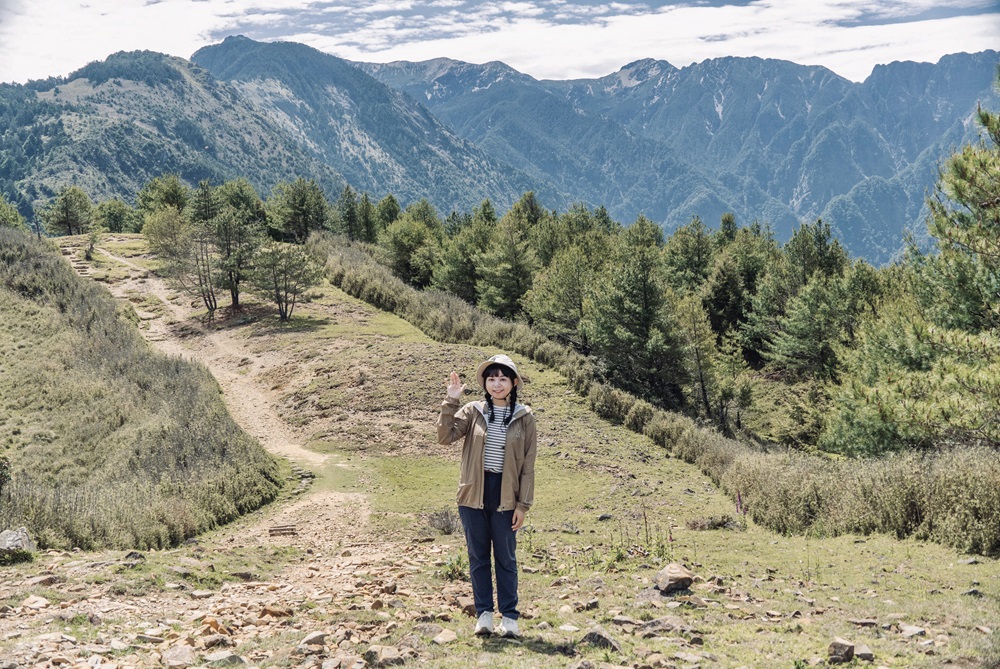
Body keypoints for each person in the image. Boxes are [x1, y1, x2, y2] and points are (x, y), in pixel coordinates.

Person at [437, 354, 537, 638]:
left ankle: (510, 617)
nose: (497, 384)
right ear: (485, 383)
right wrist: (451, 400)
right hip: (473, 493)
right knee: (478, 557)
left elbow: (528, 465)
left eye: (503, 378)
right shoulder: (473, 411)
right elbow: (445, 437)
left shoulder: (525, 417)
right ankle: (484, 616)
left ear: (514, 383)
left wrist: (523, 505)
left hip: (507, 496)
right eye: (492, 378)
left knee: (506, 558)